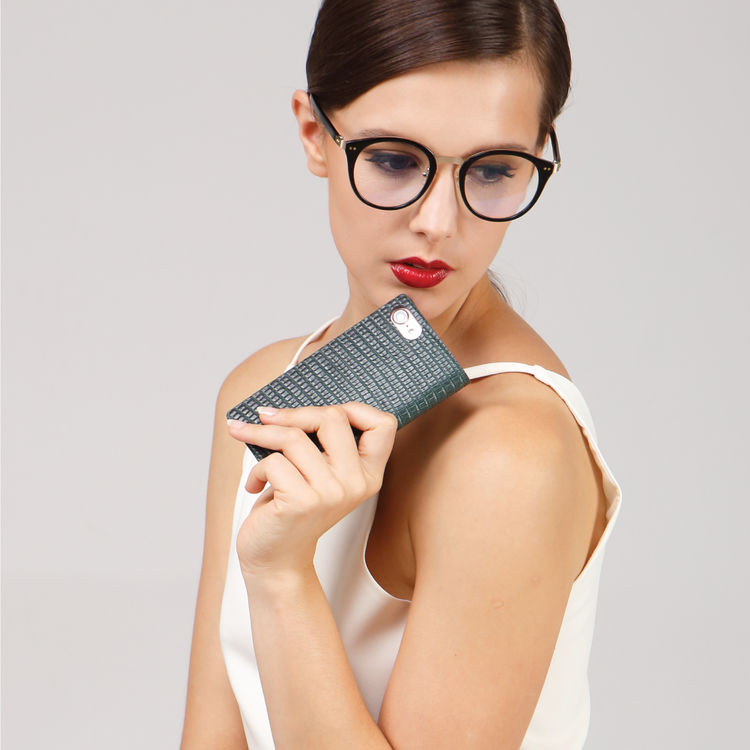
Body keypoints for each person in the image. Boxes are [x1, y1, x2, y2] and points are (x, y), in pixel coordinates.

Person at [180, 1, 622, 748]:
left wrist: (282, 575)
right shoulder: (266, 384)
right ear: (314, 133)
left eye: (493, 169)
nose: (438, 223)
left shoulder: (510, 453)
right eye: (393, 160)